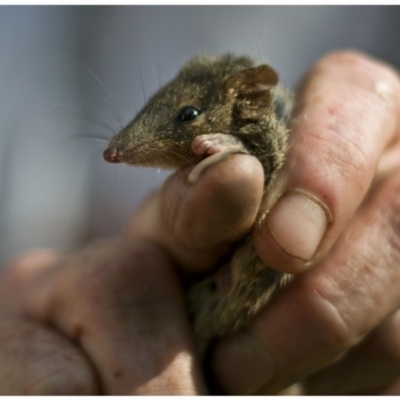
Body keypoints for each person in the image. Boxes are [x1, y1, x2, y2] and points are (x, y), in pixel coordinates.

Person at [0, 49, 400, 395]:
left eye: (187, 116)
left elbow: (269, 152)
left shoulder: (266, 132)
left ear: (248, 102)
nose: (122, 146)